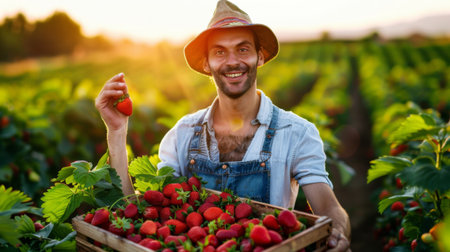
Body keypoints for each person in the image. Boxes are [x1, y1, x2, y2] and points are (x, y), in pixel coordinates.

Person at [95, 0, 351, 250]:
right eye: (219, 52)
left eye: (243, 49)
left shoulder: (296, 132)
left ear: (259, 57)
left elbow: (328, 207)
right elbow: (139, 213)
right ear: (207, 64)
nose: (232, 61)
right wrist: (117, 133)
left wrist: (337, 231)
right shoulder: (182, 134)